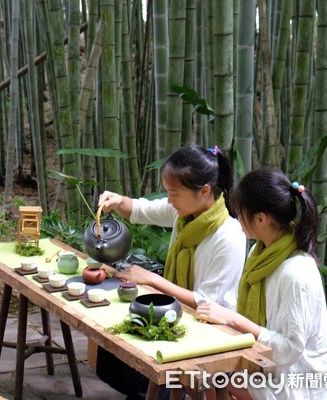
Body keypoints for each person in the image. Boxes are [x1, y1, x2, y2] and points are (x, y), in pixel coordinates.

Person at [95, 144, 247, 400]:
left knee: (135, 361)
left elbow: (208, 303)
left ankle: (156, 391)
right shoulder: (185, 213)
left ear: (205, 191)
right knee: (110, 350)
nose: (168, 200)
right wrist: (118, 200)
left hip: (211, 327)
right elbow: (139, 209)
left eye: (173, 193)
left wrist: (152, 280)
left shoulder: (229, 235)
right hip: (175, 312)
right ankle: (149, 393)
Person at [195, 169, 327, 400]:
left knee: (207, 377)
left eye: (239, 213)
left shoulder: (296, 273)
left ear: (261, 219)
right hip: (268, 366)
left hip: (296, 382)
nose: (236, 219)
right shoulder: (258, 252)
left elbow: (289, 349)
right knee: (200, 370)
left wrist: (233, 319)